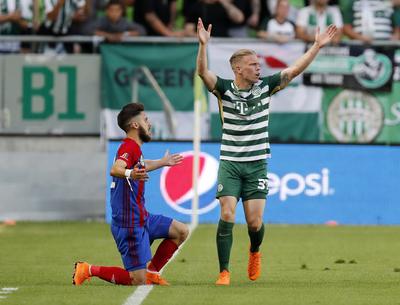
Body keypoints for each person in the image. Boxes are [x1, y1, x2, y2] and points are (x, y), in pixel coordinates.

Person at [196, 17, 337, 285]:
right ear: (238, 68)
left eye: (259, 64)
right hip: (230, 163)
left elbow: (293, 71)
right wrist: (202, 45)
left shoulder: (265, 88)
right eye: (252, 65)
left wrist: (317, 46)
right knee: (227, 213)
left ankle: (254, 250)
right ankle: (224, 271)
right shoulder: (224, 90)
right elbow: (203, 72)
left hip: (257, 164)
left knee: (254, 222)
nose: (258, 68)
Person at [73, 103, 189, 286]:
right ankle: (87, 269)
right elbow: (116, 168)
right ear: (135, 125)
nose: (149, 124)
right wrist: (130, 174)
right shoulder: (128, 147)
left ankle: (152, 273)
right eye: (145, 120)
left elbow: (140, 164)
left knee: (180, 231)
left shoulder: (134, 148)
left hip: (142, 217)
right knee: (137, 280)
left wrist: (162, 162)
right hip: (129, 224)